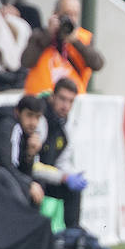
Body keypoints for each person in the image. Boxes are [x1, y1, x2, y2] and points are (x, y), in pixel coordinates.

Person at [0, 82, 59, 249]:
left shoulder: (3, 132)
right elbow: (5, 165)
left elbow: (14, 169)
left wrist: (30, 155)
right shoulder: (7, 127)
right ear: (18, 113)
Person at [33, 77, 89, 229]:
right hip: (28, 177)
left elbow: (62, 161)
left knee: (73, 190)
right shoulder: (39, 119)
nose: (66, 106)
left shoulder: (66, 125)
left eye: (71, 101)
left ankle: (73, 235)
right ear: (53, 97)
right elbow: (32, 165)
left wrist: (71, 175)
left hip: (47, 177)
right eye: (62, 99)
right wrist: (63, 177)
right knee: (36, 187)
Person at [23, 0, 105, 96]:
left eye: (75, 15)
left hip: (72, 100)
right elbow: (26, 62)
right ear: (55, 14)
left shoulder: (84, 38)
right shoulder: (40, 35)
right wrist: (48, 35)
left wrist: (75, 41)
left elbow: (97, 64)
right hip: (42, 97)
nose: (71, 19)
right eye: (67, 14)